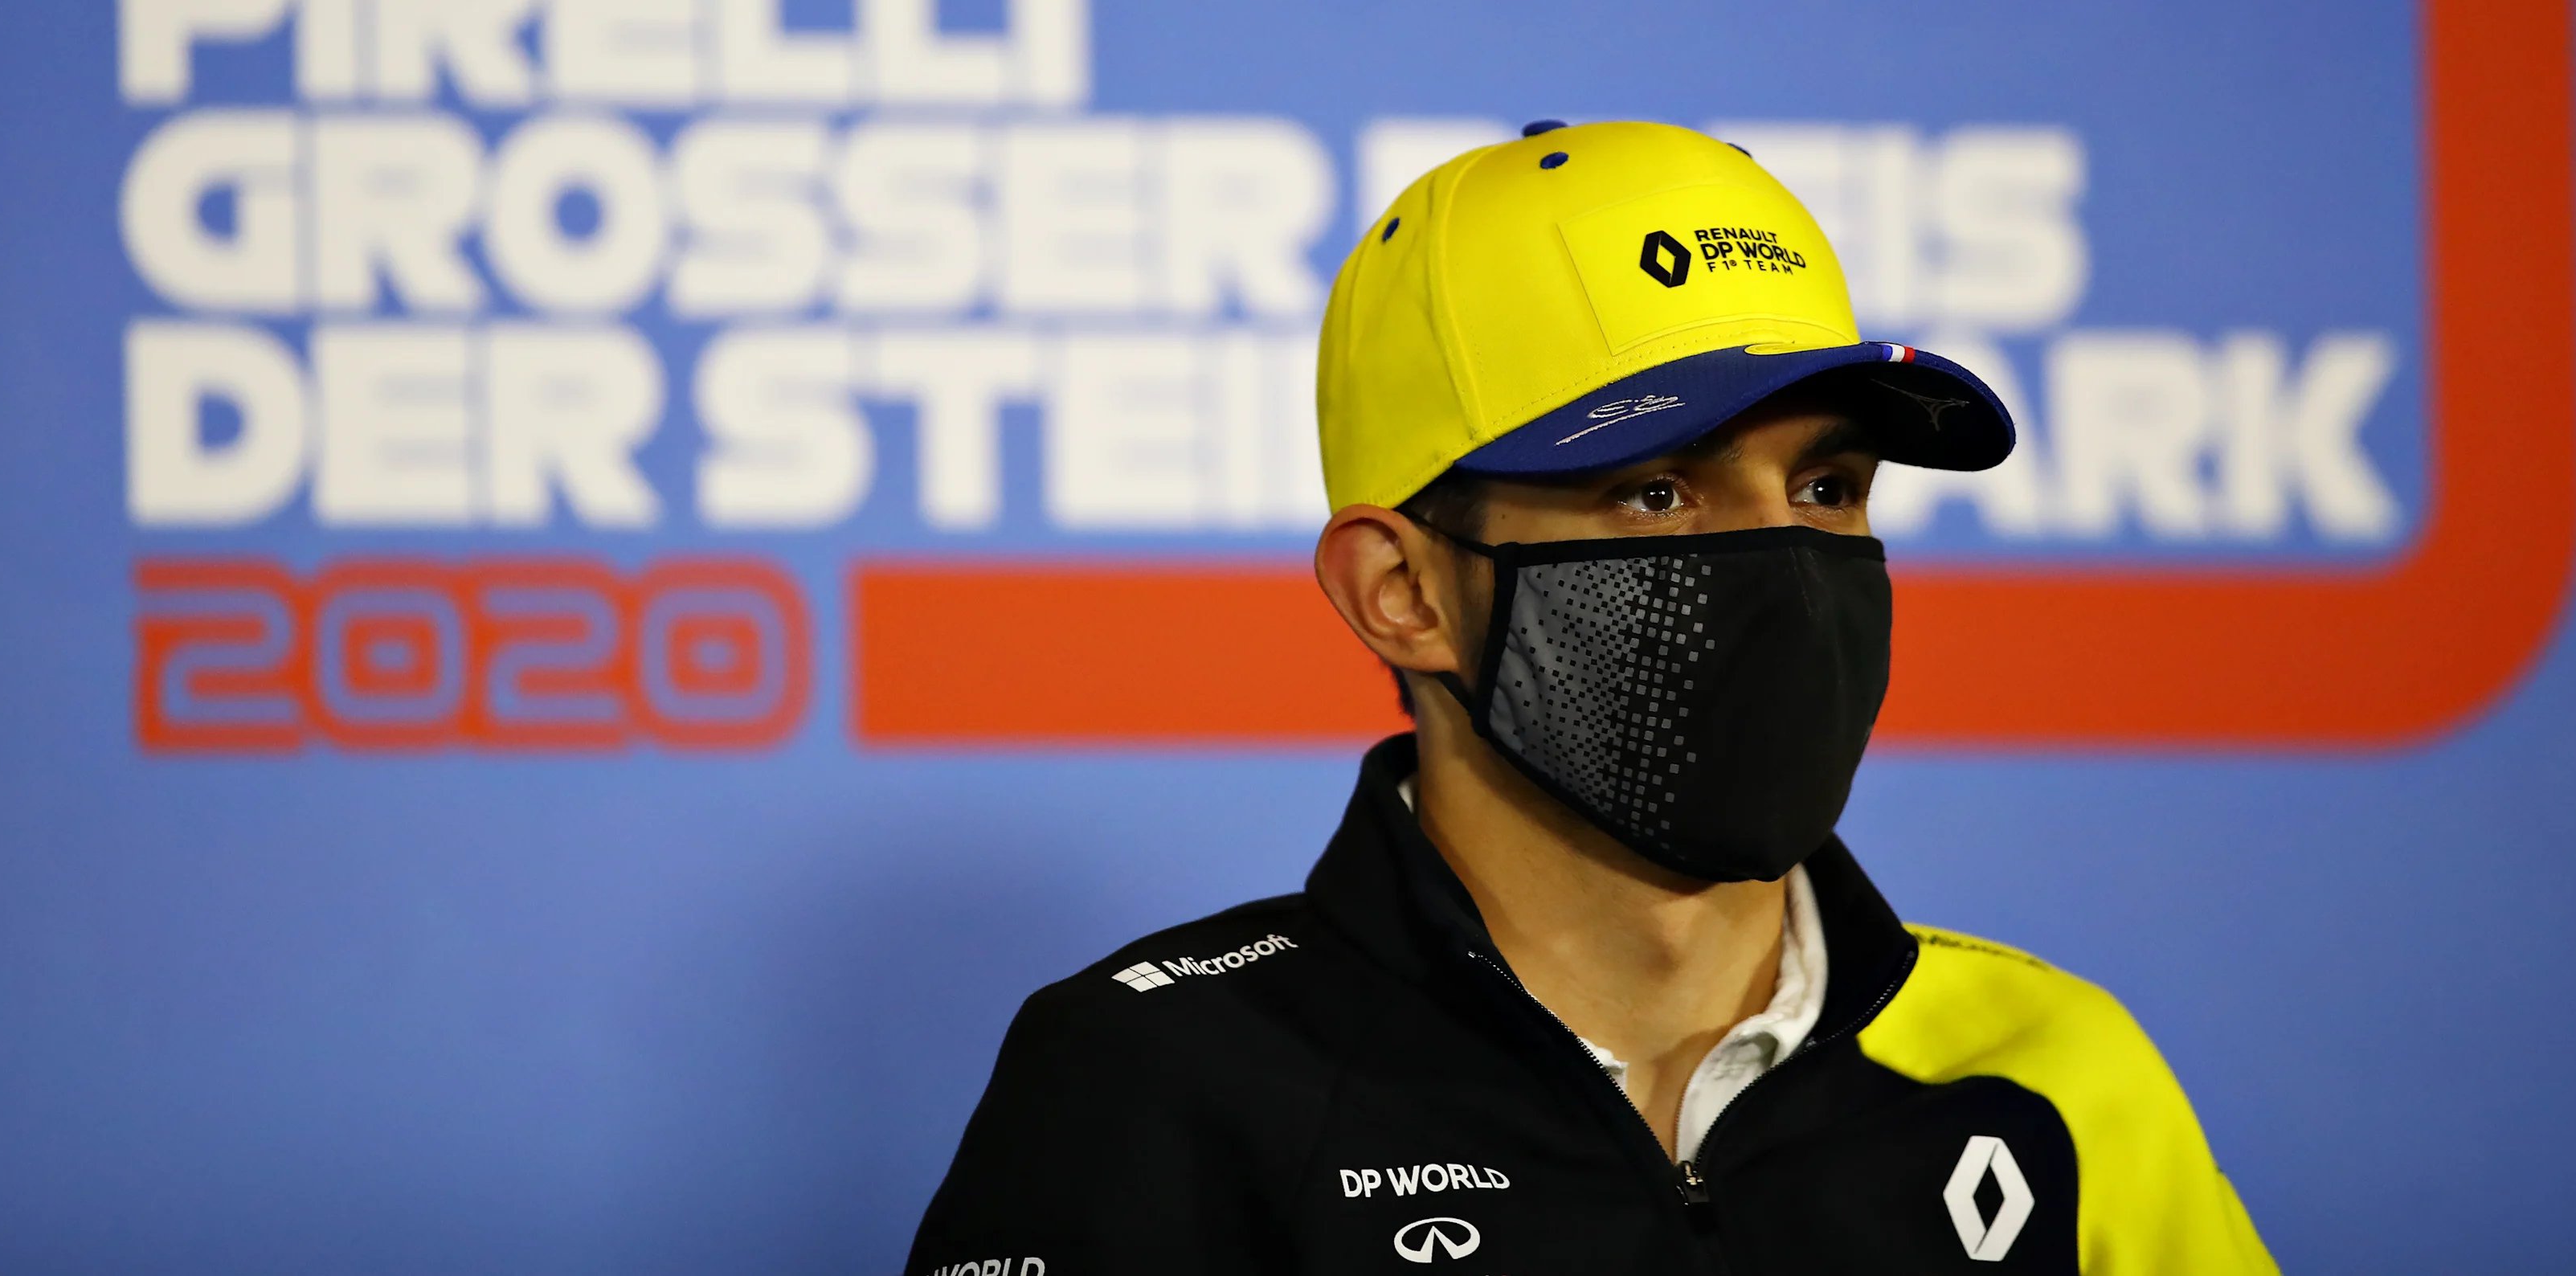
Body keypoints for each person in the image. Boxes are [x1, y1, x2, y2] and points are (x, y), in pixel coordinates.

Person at [905, 121, 2275, 1274]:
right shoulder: (1162, 1083)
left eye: (1827, 489)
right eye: (1657, 491)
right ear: (1403, 590)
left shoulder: (2060, 1074)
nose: (1784, 573)